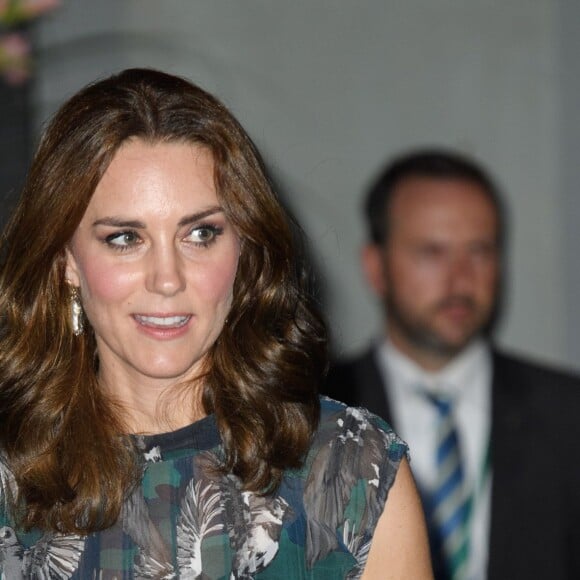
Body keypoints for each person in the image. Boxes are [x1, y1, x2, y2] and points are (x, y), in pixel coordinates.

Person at [0, 69, 432, 579]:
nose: (167, 279)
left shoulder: (352, 472)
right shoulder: (10, 480)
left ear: (244, 250)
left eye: (200, 233)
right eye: (124, 238)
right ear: (65, 260)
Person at [323, 149, 580, 580]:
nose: (461, 279)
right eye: (432, 252)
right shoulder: (315, 411)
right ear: (376, 266)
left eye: (479, 251)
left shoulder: (568, 416)